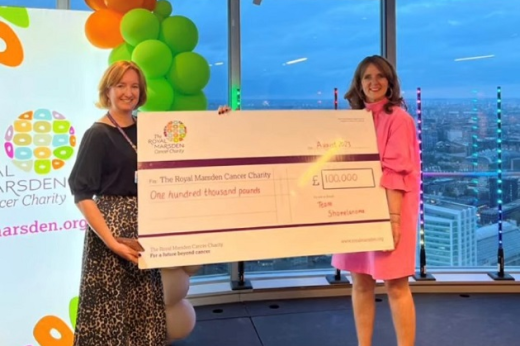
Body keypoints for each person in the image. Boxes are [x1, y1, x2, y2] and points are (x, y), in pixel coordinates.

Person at [68, 61, 166, 345]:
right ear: (107, 91)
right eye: (121, 85)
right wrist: (111, 242)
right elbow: (81, 192)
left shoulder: (148, 129)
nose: (128, 92)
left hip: (145, 228)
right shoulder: (97, 134)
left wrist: (223, 122)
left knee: (143, 307)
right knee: (108, 312)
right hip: (111, 230)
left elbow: (191, 150)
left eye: (134, 86)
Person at [332, 55, 420, 346]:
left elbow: (397, 171)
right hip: (357, 211)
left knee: (396, 284)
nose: (374, 82)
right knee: (360, 282)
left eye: (380, 76)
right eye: (367, 77)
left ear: (390, 81)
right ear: (358, 83)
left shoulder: (399, 119)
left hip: (391, 210)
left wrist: (392, 221)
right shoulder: (352, 120)